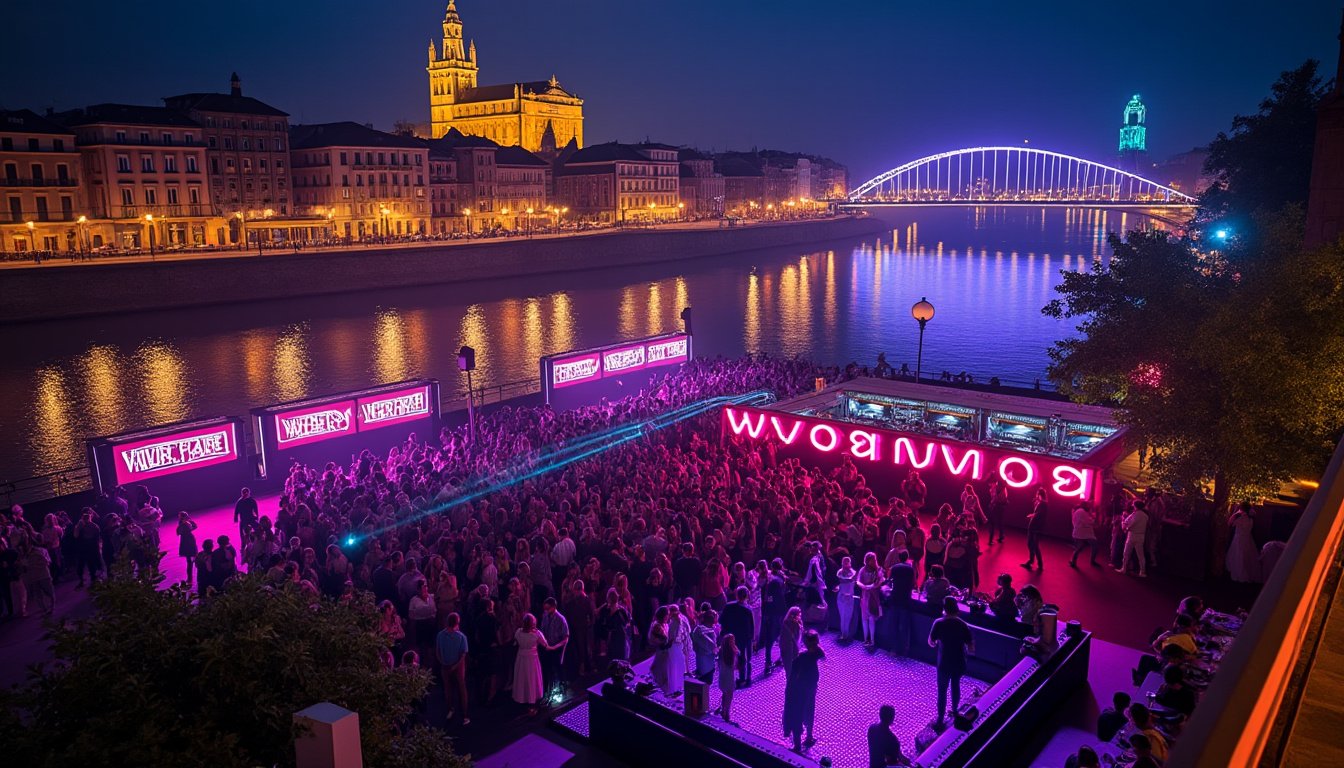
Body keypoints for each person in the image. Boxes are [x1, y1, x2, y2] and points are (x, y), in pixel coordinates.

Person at [929, 596, 974, 726]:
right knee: (956, 685)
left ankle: (940, 719)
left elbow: (931, 642)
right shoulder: (963, 624)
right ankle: (955, 710)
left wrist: (938, 642)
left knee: (942, 691)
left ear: (944, 609)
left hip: (944, 662)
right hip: (959, 661)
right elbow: (971, 646)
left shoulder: (939, 623)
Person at [782, 629, 824, 752]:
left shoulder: (801, 657)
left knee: (796, 714)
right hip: (811, 689)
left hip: (799, 691)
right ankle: (809, 736)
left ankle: (797, 746)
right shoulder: (817, 654)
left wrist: (789, 692)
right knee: (810, 711)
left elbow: (792, 676)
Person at [436, 612, 471, 726]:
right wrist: (455, 666)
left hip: (445, 666)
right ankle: (465, 715)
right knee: (461, 688)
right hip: (457, 666)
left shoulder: (440, 635)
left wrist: (442, 662)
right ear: (457, 623)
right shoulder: (461, 637)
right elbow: (463, 655)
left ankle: (450, 709)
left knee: (448, 688)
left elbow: (437, 651)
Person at [513, 613, 550, 714]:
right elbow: (545, 644)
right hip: (532, 659)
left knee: (522, 678)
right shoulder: (536, 634)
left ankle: (521, 697)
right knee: (531, 679)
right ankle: (531, 700)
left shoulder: (518, 632)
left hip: (521, 658)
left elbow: (516, 641)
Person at [720, 585, 755, 686]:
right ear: (747, 596)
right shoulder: (748, 609)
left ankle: (735, 678)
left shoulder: (728, 606)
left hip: (732, 636)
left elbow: (722, 621)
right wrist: (752, 638)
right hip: (746, 637)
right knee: (747, 658)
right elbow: (752, 625)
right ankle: (746, 679)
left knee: (734, 658)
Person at [539, 597, 569, 700]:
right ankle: (549, 688)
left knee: (558, 667)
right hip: (547, 646)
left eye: (548, 608)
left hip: (557, 647)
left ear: (554, 607)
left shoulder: (561, 619)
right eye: (545, 609)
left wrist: (555, 647)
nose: (546, 611)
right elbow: (542, 630)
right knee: (548, 668)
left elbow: (566, 638)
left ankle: (562, 685)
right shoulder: (545, 616)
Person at [761, 559, 787, 672]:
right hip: (777, 613)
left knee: (770, 637)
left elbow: (768, 599)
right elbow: (778, 597)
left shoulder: (771, 580)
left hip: (770, 612)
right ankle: (774, 660)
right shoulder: (777, 581)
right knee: (777, 635)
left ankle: (769, 661)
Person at [888, 549, 916, 655]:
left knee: (894, 625)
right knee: (904, 626)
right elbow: (913, 583)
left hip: (895, 598)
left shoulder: (895, 568)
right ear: (907, 557)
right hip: (905, 599)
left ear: (899, 558)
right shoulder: (910, 569)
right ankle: (904, 650)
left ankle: (894, 649)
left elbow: (890, 581)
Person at [1227, 502, 1260, 583]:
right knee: (1247, 555)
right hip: (1248, 538)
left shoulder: (1241, 518)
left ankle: (1239, 573)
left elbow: (1229, 523)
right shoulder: (1250, 519)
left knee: (1239, 555)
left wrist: (1235, 511)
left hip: (1239, 539)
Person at [857, 551, 884, 647]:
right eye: (871, 560)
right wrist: (864, 586)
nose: (873, 562)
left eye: (874, 560)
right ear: (867, 561)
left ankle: (872, 640)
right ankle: (865, 639)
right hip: (864, 597)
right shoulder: (863, 570)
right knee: (864, 619)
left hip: (873, 597)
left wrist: (871, 586)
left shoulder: (878, 570)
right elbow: (858, 581)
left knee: (872, 618)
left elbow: (879, 581)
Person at [598, 587, 632, 661]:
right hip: (616, 637)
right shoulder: (610, 610)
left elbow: (628, 621)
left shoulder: (618, 611)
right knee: (617, 657)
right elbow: (628, 621)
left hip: (616, 637)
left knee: (617, 658)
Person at [1117, 501, 1149, 577]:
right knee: (1140, 555)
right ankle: (1142, 572)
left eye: (1133, 505)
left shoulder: (1135, 514)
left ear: (1135, 506)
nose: (1132, 506)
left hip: (1132, 535)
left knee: (1126, 553)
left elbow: (1128, 524)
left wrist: (1123, 522)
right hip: (1141, 536)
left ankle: (1124, 568)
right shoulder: (1145, 516)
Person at [665, 603, 689, 695]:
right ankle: (679, 687)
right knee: (679, 666)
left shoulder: (674, 623)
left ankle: (673, 688)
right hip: (679, 645)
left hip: (674, 646)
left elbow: (672, 636)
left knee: (673, 666)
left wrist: (667, 644)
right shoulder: (681, 620)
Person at [1021, 487, 1047, 570]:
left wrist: (1031, 515)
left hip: (1036, 527)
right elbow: (1037, 513)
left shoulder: (1043, 504)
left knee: (1034, 545)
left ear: (1039, 494)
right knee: (1031, 544)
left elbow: (1038, 515)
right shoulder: (1040, 503)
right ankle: (1032, 562)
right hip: (1034, 526)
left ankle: (1038, 564)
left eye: (1037, 494)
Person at [691, 607, 719, 684]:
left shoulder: (698, 629)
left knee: (703, 685)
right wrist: (715, 650)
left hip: (702, 661)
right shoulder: (705, 631)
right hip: (707, 663)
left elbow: (695, 645)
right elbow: (712, 647)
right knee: (705, 685)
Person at [717, 633, 740, 724]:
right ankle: (727, 712)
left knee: (724, 693)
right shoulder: (733, 652)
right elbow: (734, 666)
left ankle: (723, 709)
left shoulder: (721, 651)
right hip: (729, 676)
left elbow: (719, 664)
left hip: (722, 675)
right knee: (729, 695)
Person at [1069, 501, 1099, 567]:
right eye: (1088, 505)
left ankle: (1073, 562)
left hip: (1081, 533)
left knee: (1079, 548)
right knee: (1093, 546)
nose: (1089, 507)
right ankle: (1091, 561)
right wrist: (1093, 518)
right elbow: (1089, 521)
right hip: (1083, 533)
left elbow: (1074, 521)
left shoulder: (1080, 511)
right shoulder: (1082, 512)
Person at [835, 555, 857, 641]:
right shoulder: (839, 572)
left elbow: (849, 580)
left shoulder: (854, 572)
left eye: (847, 561)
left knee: (848, 616)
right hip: (841, 596)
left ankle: (846, 634)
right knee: (842, 616)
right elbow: (842, 580)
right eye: (844, 561)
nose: (846, 563)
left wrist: (850, 580)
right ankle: (843, 634)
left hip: (850, 597)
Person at [779, 606, 803, 679]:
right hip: (790, 650)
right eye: (799, 615)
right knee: (791, 671)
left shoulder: (788, 623)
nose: (800, 617)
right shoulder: (791, 624)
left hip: (789, 650)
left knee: (789, 671)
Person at [176, 512, 199, 585]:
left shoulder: (186, 523)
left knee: (191, 559)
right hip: (186, 540)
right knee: (189, 560)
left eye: (179, 516)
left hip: (187, 541)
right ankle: (190, 578)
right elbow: (179, 532)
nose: (179, 517)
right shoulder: (183, 523)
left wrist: (187, 523)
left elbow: (178, 532)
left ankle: (190, 578)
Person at [986, 475, 1008, 544]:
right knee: (998, 522)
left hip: (998, 506)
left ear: (993, 483)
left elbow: (995, 498)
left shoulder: (996, 489)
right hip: (999, 506)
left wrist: (992, 503)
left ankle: (998, 537)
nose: (989, 485)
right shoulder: (997, 488)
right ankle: (1001, 536)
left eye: (990, 483)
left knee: (995, 522)